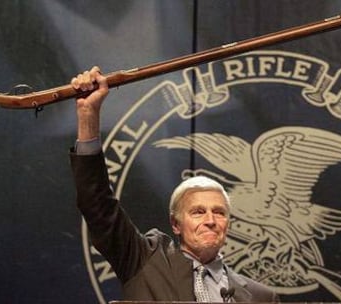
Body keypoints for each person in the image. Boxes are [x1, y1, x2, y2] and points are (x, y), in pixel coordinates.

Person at [69, 66, 279, 302]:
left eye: (219, 213)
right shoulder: (143, 260)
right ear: (175, 224)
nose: (210, 221)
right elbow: (97, 205)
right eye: (198, 212)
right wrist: (88, 115)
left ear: (228, 224)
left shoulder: (262, 297)